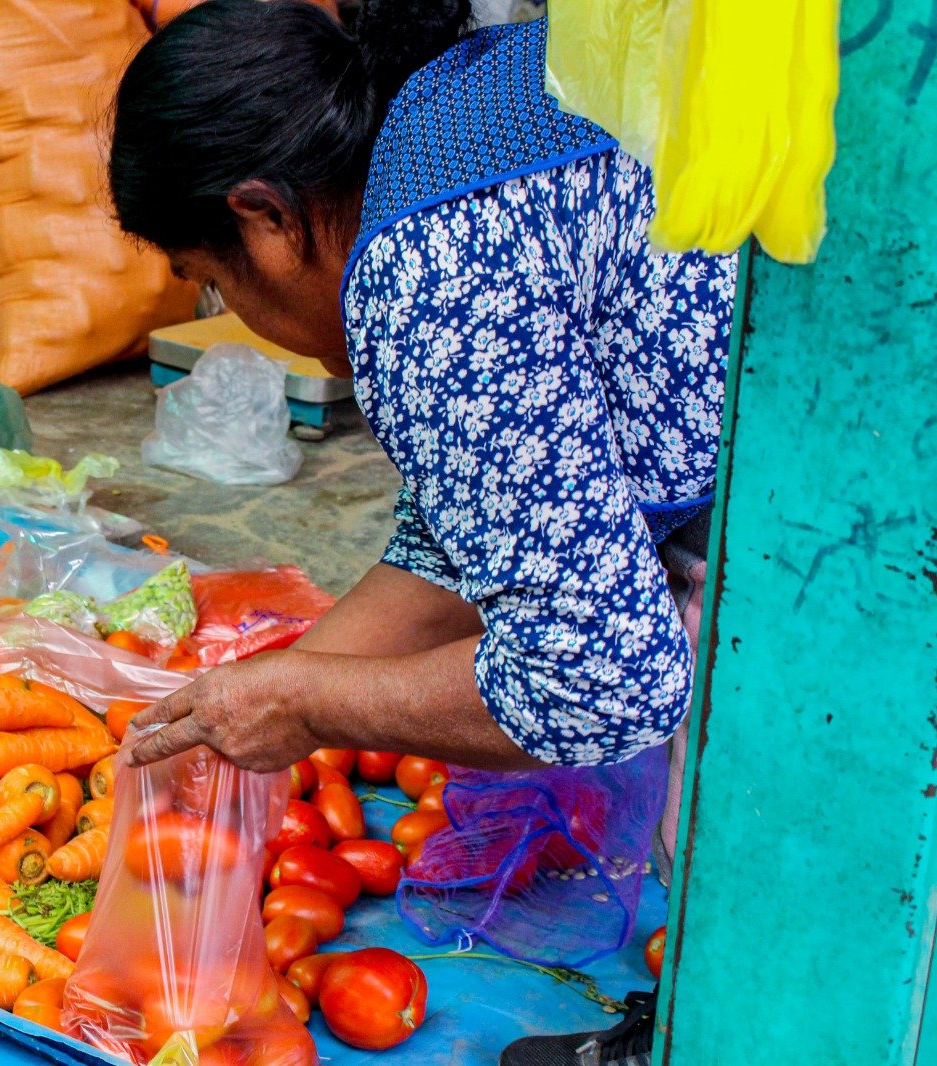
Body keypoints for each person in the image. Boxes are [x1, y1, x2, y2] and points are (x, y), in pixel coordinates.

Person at [107, 2, 736, 1063]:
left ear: (265, 215)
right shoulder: (440, 108)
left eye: (213, 283)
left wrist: (308, 702)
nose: (233, 315)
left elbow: (604, 684)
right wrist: (277, 686)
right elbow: (468, 525)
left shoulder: (418, 277)